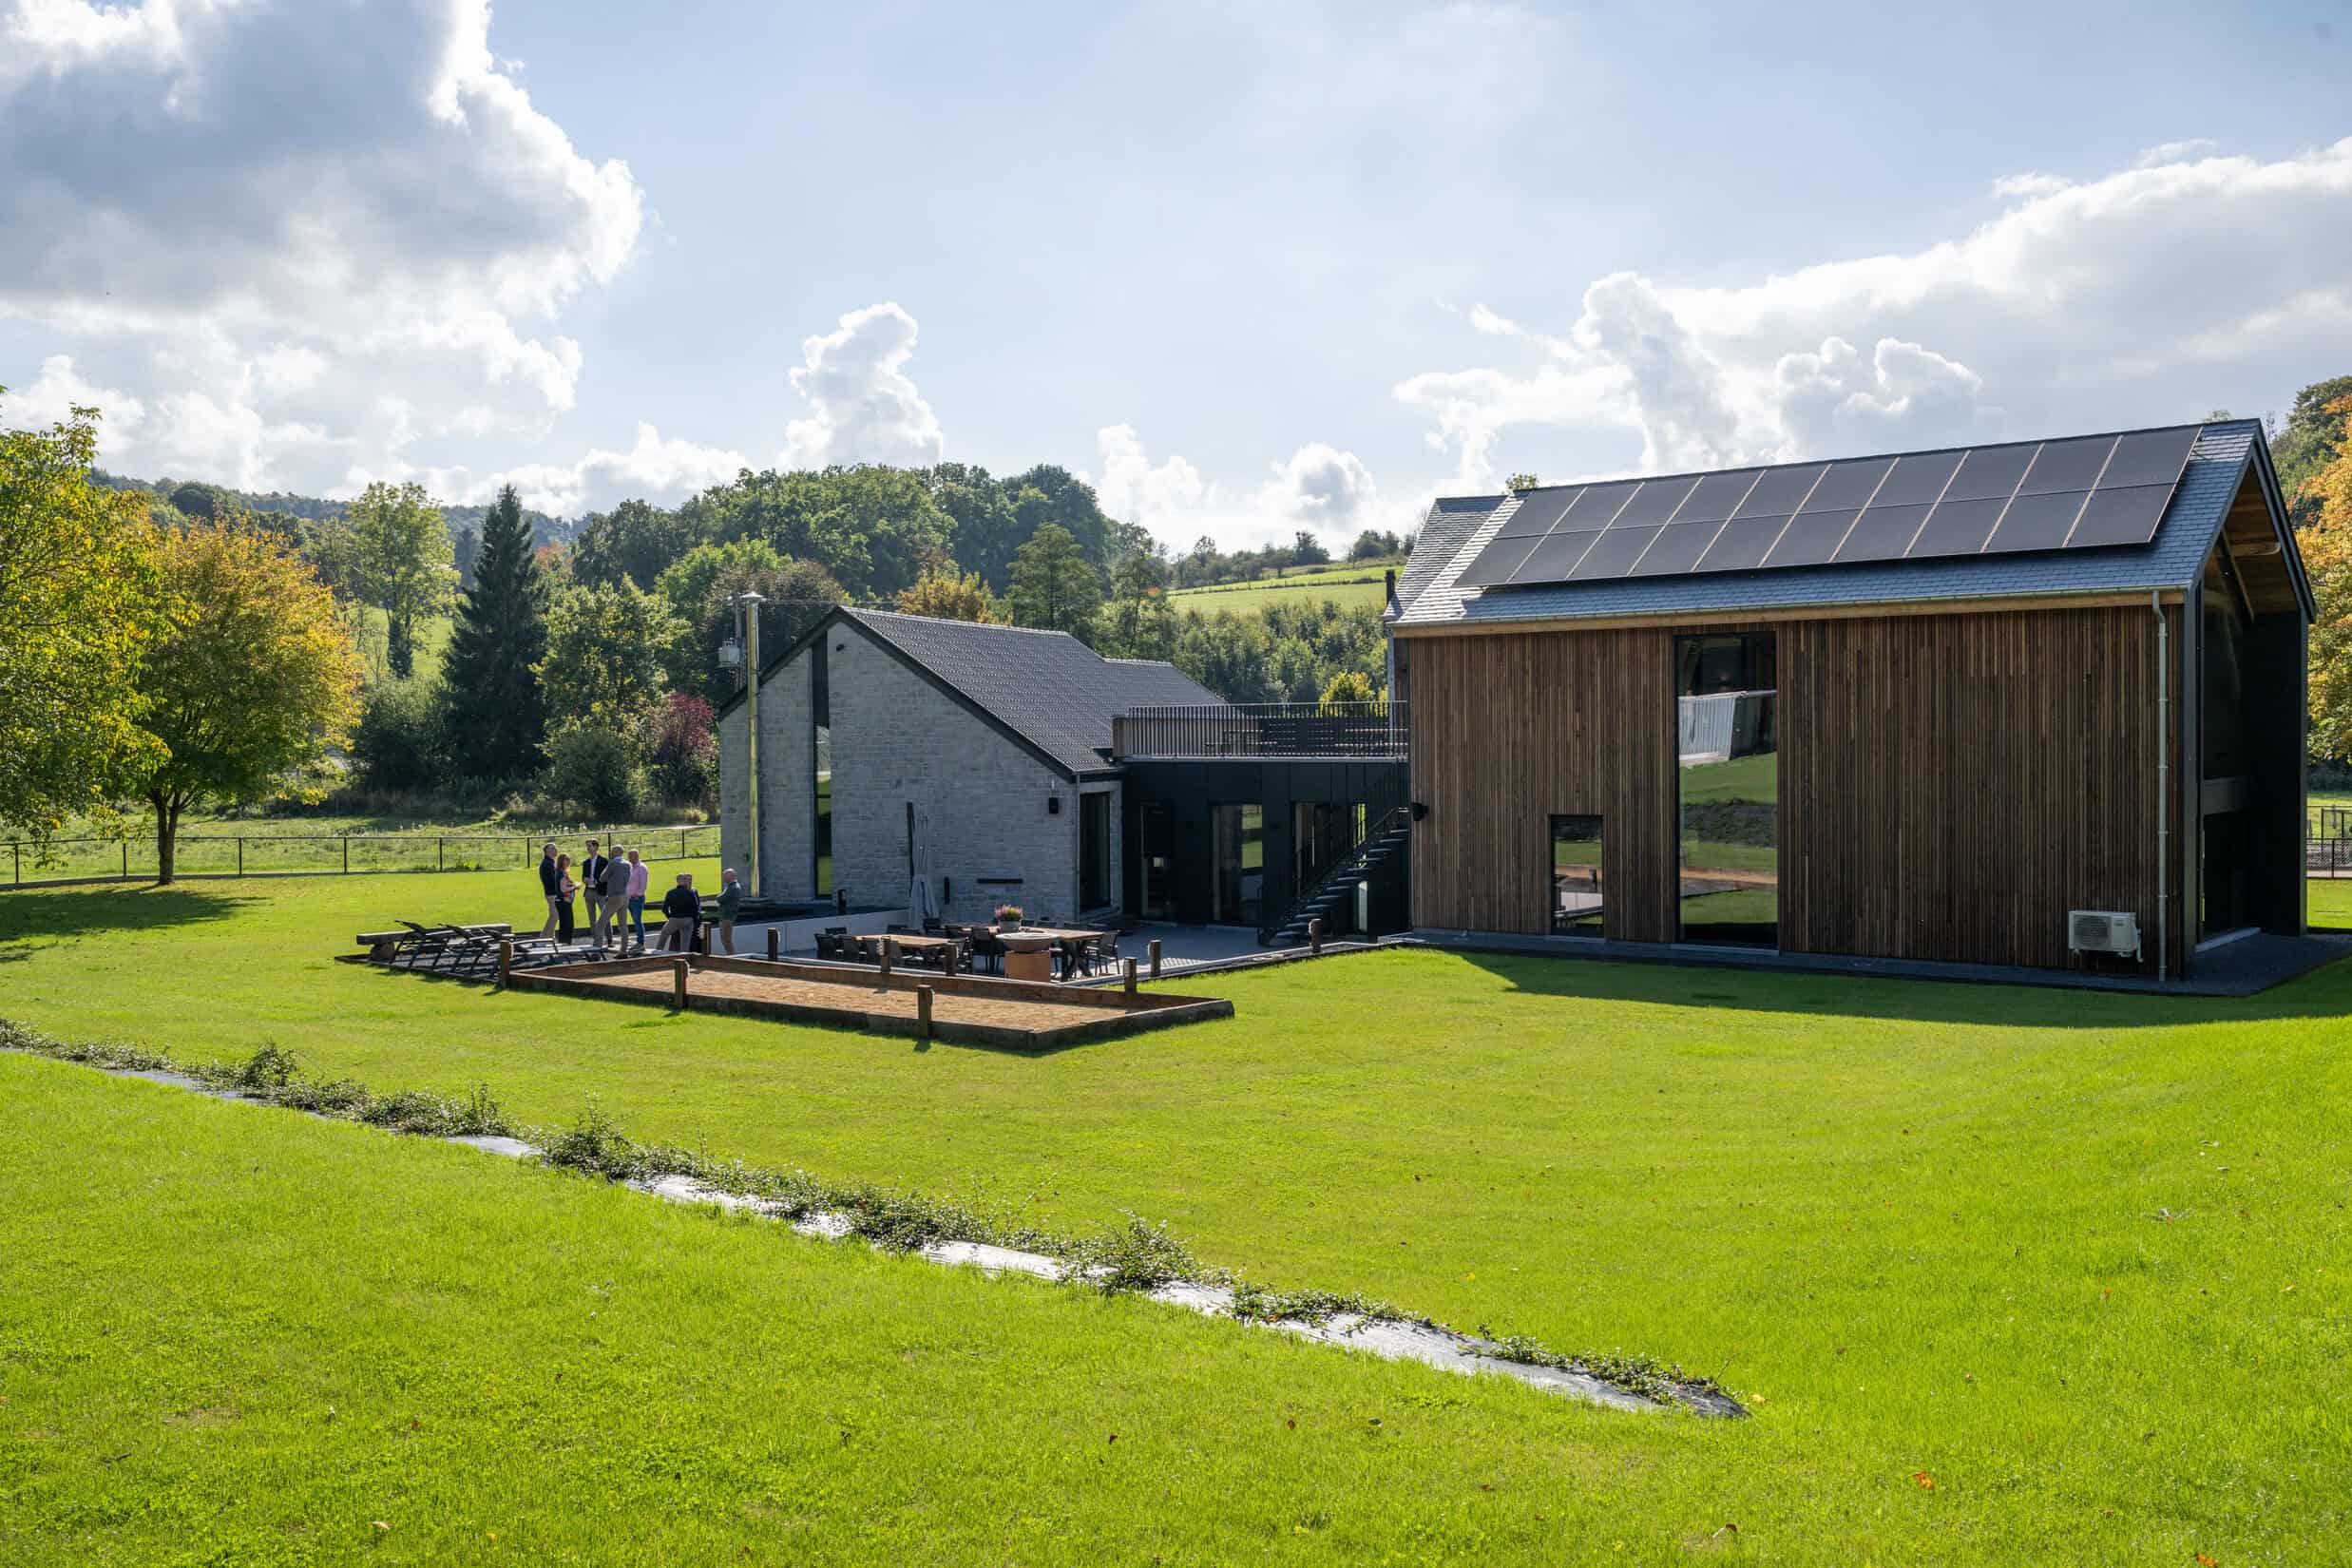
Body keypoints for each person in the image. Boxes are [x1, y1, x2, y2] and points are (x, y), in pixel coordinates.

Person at [657, 872, 700, 951]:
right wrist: (693, 920)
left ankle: (657, 954)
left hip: (674, 919)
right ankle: (684, 959)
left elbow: (664, 909)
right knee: (685, 943)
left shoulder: (670, 892)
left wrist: (670, 917)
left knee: (663, 936)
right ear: (685, 881)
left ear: (677, 881)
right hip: (688, 920)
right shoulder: (690, 893)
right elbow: (696, 909)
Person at [583, 837, 612, 950]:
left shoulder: (604, 861)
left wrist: (594, 881)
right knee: (592, 918)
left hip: (600, 893)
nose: (588, 848)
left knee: (605, 916)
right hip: (588, 892)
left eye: (590, 846)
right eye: (587, 846)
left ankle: (609, 940)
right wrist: (585, 880)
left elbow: (606, 878)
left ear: (596, 847)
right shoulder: (586, 862)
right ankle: (596, 940)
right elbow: (584, 876)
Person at [624, 849, 650, 953]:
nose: (630, 858)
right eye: (629, 856)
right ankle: (638, 943)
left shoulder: (642, 868)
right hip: (628, 898)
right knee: (632, 921)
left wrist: (637, 895)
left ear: (637, 856)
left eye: (633, 856)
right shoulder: (628, 867)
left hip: (636, 899)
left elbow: (643, 884)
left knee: (637, 921)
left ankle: (641, 943)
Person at [714, 866, 742, 955]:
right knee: (725, 939)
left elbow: (720, 898)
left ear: (731, 876)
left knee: (726, 939)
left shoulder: (733, 888)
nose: (723, 878)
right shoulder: (731, 886)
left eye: (725, 876)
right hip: (726, 916)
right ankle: (731, 956)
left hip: (727, 917)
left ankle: (732, 957)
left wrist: (718, 897)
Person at [537, 841, 561, 938]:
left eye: (556, 848)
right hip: (552, 894)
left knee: (553, 916)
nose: (556, 850)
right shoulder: (548, 864)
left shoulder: (549, 862)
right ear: (547, 851)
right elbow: (551, 881)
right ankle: (543, 937)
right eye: (553, 848)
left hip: (551, 893)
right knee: (555, 916)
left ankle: (551, 937)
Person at [553, 852, 578, 945]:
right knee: (568, 925)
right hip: (564, 901)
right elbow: (563, 889)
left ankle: (563, 943)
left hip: (562, 901)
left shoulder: (560, 872)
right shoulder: (562, 873)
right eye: (566, 859)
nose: (568, 861)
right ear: (561, 861)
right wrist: (575, 887)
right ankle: (566, 943)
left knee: (564, 924)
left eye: (569, 859)